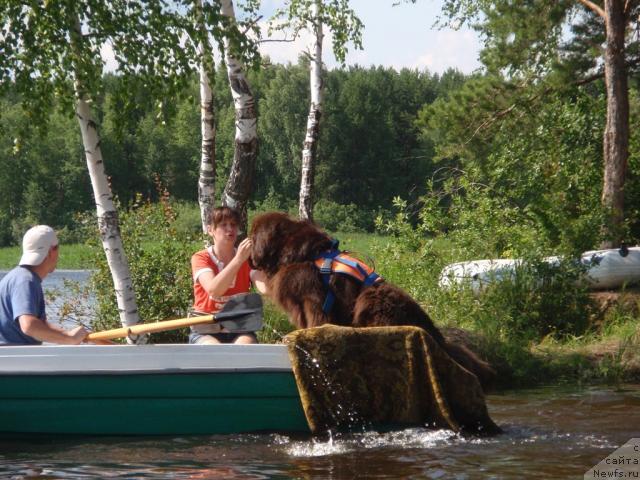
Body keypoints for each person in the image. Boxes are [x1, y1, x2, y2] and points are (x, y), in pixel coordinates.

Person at [0, 225, 89, 345]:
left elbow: (39, 325)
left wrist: (69, 334)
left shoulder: (19, 277)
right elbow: (29, 325)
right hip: (16, 359)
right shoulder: (26, 281)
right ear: (52, 251)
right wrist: (69, 338)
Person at [190, 207, 267, 344]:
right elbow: (214, 290)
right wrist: (238, 260)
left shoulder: (247, 258)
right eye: (223, 225)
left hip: (240, 328)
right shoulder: (201, 258)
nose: (230, 229)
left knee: (244, 348)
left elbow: (265, 289)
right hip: (206, 329)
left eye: (233, 225)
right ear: (210, 230)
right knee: (214, 351)